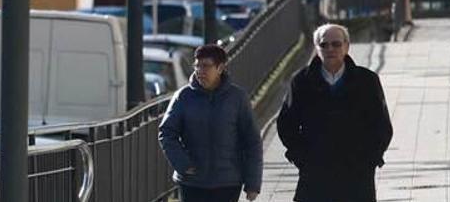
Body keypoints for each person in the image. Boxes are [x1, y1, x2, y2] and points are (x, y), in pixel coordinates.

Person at [277, 24, 393, 202]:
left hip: (357, 174)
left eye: (336, 44)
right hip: (315, 173)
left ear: (347, 46)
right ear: (316, 48)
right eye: (324, 45)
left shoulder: (367, 81)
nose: (330, 49)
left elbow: (381, 125)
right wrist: (302, 158)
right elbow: (286, 125)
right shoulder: (301, 81)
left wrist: (371, 158)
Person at [159, 44, 262, 202]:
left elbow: (252, 141)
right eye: (197, 66)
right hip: (192, 183)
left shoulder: (237, 98)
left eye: (206, 66)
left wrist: (253, 184)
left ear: (220, 68)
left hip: (227, 183)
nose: (200, 71)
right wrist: (183, 164)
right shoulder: (183, 97)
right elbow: (166, 133)